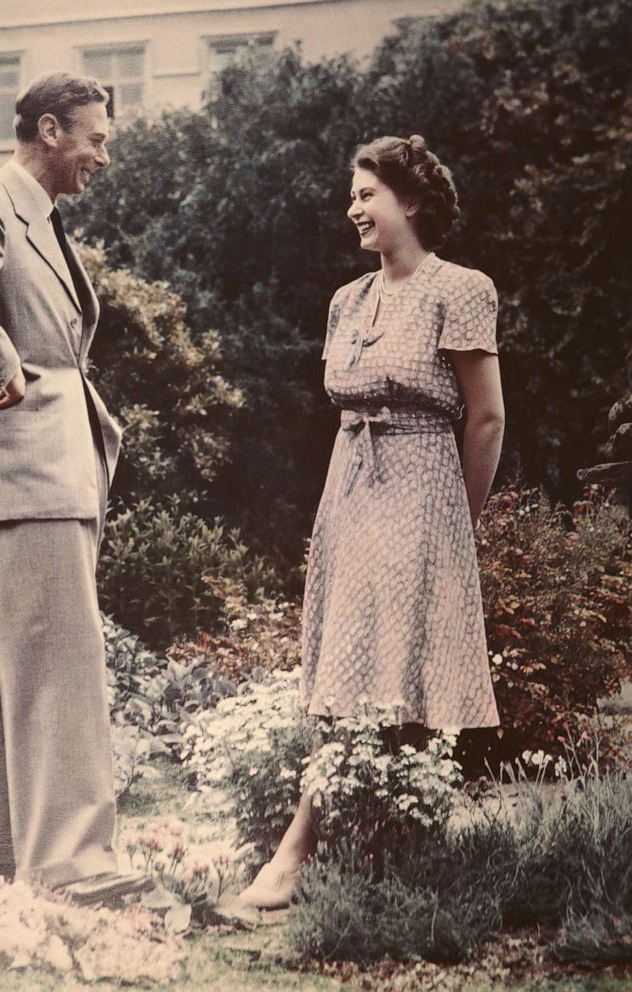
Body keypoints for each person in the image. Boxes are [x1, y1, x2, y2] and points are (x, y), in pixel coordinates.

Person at [239, 134, 505, 910]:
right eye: (351, 196)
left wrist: (457, 521)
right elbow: (347, 404)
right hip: (349, 482)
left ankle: (328, 847)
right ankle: (349, 841)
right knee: (343, 667)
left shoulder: (460, 288)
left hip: (423, 484)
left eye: (365, 194)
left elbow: (485, 420)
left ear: (410, 201)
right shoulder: (346, 301)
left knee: (401, 666)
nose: (351, 208)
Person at [0, 72, 150, 903]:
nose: (102, 155)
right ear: (48, 130)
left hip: (32, 474)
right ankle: (72, 867)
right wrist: (3, 363)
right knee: (59, 664)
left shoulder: (36, 217)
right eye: (95, 138)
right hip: (27, 471)